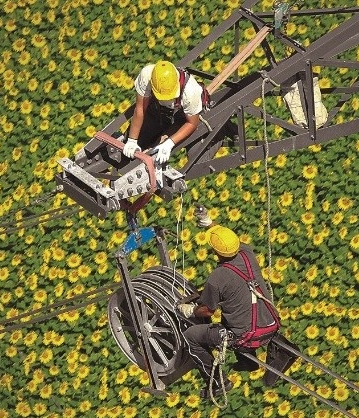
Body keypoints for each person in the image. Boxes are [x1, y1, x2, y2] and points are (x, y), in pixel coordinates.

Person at [176, 208, 282, 399]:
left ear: (215, 251)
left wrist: (190, 310)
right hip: (270, 323)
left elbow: (207, 311)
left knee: (191, 336)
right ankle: (248, 361)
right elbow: (228, 241)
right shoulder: (246, 253)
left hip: (246, 335)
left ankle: (216, 383)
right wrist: (209, 223)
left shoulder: (217, 278)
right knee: (237, 310)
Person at [122, 60, 204, 165]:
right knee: (136, 141)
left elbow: (191, 123)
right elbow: (140, 108)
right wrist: (132, 140)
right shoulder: (147, 75)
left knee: (155, 152)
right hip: (158, 109)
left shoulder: (191, 92)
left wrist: (169, 143)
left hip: (180, 116)